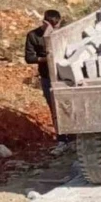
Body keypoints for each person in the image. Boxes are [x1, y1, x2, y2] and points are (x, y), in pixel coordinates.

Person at [25, 10, 69, 141]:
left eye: (57, 26)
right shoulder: (33, 35)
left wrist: (54, 33)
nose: (54, 29)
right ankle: (62, 139)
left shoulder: (61, 33)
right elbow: (29, 58)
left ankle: (74, 137)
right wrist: (47, 58)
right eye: (51, 26)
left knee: (68, 106)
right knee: (54, 108)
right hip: (47, 77)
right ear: (44, 22)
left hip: (65, 76)